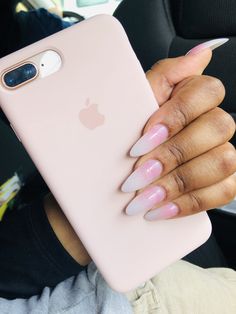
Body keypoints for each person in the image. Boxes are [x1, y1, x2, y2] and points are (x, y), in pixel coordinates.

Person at [0, 1, 236, 313]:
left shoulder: (35, 30)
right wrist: (89, 214)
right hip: (88, 289)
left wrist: (148, 118)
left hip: (119, 242)